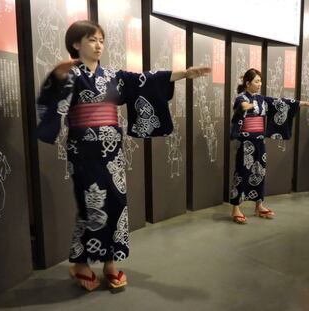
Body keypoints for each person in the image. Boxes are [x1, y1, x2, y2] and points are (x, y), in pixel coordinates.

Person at [36, 20, 210, 291]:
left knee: (117, 203)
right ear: (75, 44)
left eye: (101, 40)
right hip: (84, 152)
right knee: (92, 205)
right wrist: (55, 79)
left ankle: (110, 263)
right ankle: (81, 264)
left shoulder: (114, 76)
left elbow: (146, 80)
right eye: (92, 39)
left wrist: (184, 74)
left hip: (112, 151)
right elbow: (50, 101)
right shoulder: (69, 74)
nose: (98, 45)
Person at [229, 68, 309, 224]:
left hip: (259, 141)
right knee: (242, 173)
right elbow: (240, 105)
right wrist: (246, 106)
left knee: (260, 171)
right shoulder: (241, 97)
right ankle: (236, 208)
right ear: (247, 83)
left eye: (260, 81)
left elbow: (282, 103)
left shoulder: (262, 99)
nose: (259, 84)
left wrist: (303, 103)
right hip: (246, 142)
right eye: (256, 81)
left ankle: (259, 205)